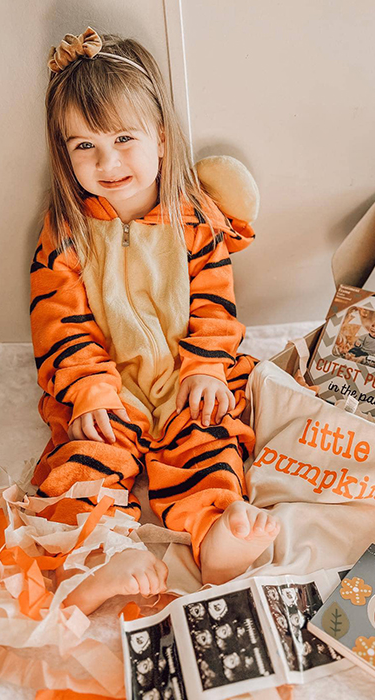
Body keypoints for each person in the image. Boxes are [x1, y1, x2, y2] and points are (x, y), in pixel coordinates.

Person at [30, 27, 279, 612]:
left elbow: (215, 307)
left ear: (161, 140)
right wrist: (90, 391)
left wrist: (208, 369)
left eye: (123, 138)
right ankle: (97, 555)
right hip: (111, 387)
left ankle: (217, 537)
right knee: (85, 463)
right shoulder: (66, 229)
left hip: (184, 377)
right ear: (63, 153)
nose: (108, 162)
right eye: (83, 146)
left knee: (209, 445)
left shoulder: (193, 220)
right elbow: (59, 321)